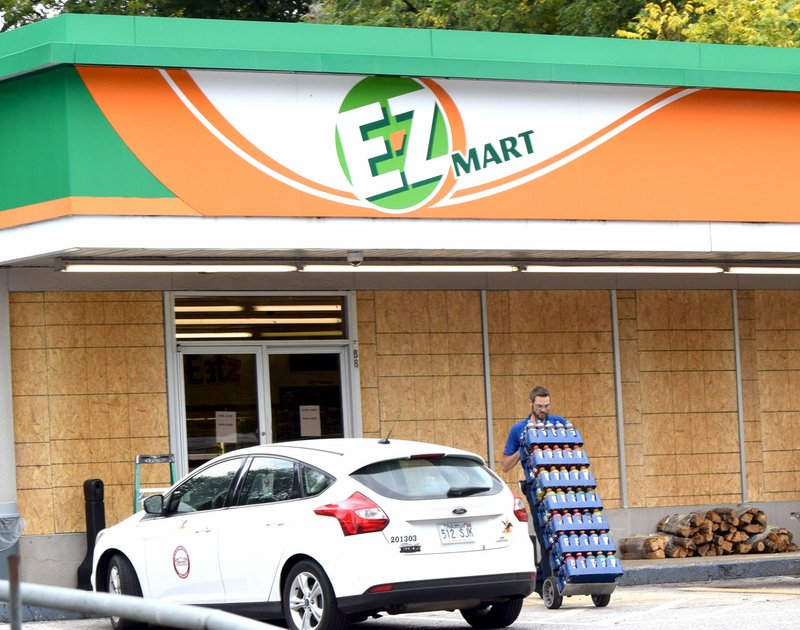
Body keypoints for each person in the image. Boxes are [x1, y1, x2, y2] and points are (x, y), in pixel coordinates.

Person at [499, 385, 569, 596]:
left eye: (547, 406)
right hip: (535, 487)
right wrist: (523, 447)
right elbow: (505, 466)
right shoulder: (518, 429)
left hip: (559, 485)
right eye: (539, 406)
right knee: (544, 531)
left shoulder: (559, 423)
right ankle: (549, 581)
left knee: (563, 531)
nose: (543, 410)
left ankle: (545, 580)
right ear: (531, 404)